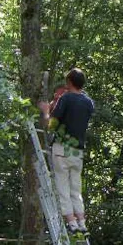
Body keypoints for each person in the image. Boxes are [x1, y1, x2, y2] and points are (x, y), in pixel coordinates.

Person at [38, 68, 95, 232]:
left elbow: (51, 125)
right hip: (78, 152)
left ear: (69, 82)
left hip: (62, 149)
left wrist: (46, 111)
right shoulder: (88, 102)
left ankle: (72, 223)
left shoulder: (67, 98)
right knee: (75, 189)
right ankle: (82, 224)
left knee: (63, 186)